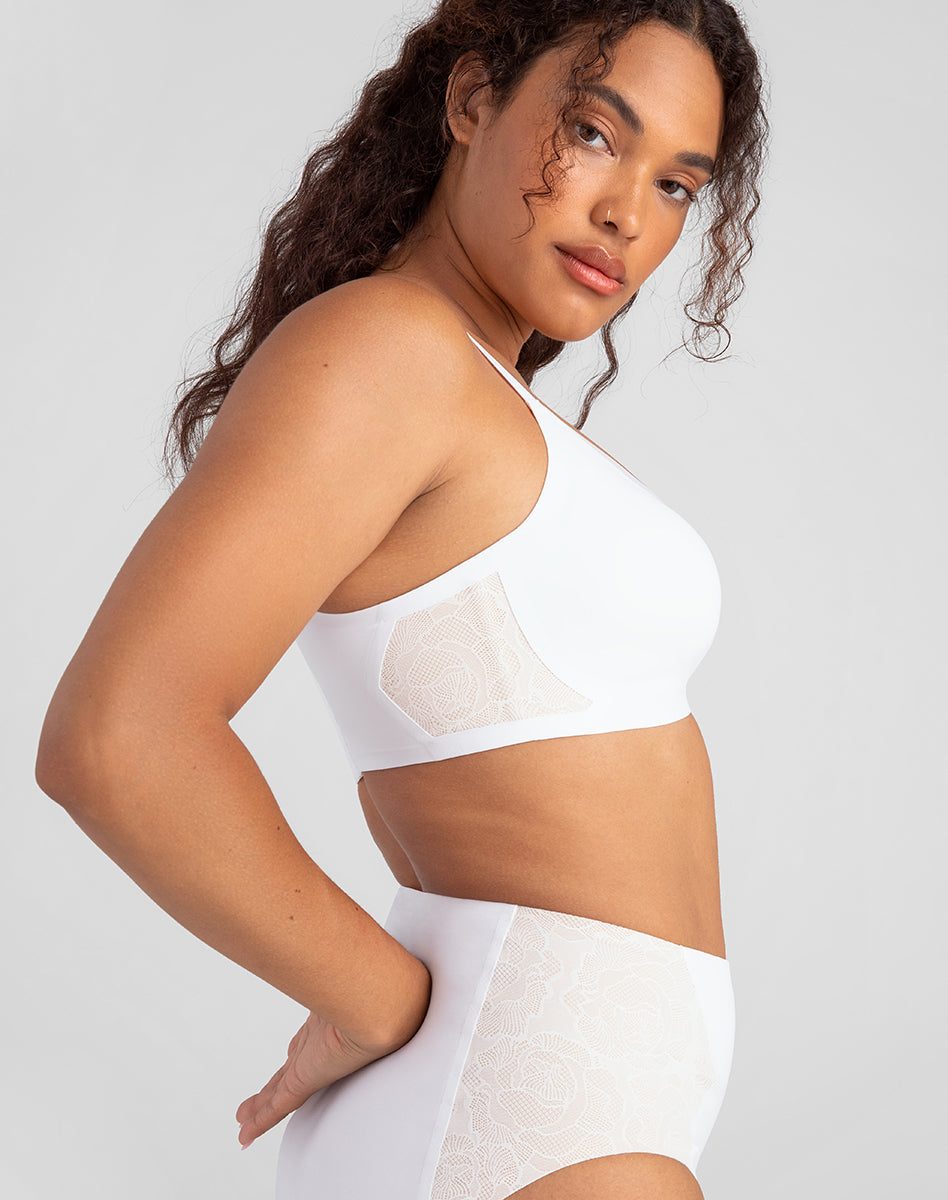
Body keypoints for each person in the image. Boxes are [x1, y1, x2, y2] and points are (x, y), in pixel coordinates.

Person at [35, 0, 768, 1196]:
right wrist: (374, 996)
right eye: (594, 133)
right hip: (523, 1091)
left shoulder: (467, 388)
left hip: (562, 1095)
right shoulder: (392, 352)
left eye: (678, 184)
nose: (629, 215)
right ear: (472, 99)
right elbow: (119, 740)